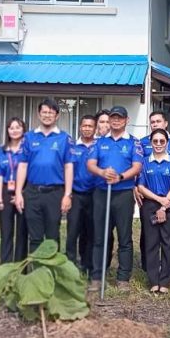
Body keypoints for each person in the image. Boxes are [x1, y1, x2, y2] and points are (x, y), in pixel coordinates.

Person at [87, 105, 143, 290]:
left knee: (124, 237)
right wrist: (102, 172)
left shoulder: (134, 143)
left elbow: (137, 167)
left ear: (127, 120)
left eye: (120, 117)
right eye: (113, 117)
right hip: (102, 193)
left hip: (123, 194)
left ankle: (123, 278)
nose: (116, 120)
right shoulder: (99, 142)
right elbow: (91, 164)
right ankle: (97, 276)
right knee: (100, 236)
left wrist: (120, 176)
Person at [14, 99, 74, 252]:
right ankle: (37, 267)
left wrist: (67, 194)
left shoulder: (64, 138)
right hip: (32, 193)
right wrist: (18, 192)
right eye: (44, 112)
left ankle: (52, 267)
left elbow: (68, 167)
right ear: (39, 114)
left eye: (51, 113)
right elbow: (22, 165)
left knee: (52, 236)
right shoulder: (28, 137)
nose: (47, 115)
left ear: (57, 115)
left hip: (55, 193)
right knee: (35, 237)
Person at [137, 128, 170, 293]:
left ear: (167, 143)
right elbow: (141, 187)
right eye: (155, 141)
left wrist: (164, 204)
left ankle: (165, 281)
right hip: (150, 204)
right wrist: (158, 200)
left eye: (162, 141)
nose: (158, 144)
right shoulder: (144, 162)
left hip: (169, 205)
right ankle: (153, 280)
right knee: (151, 243)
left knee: (168, 243)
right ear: (151, 142)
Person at [139, 110, 170, 269]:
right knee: (149, 235)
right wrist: (137, 187)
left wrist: (166, 201)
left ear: (166, 123)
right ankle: (148, 267)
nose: (155, 124)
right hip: (149, 195)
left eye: (158, 121)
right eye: (152, 122)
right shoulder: (142, 142)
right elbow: (138, 167)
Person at [0, 117, 27, 264]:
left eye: (18, 127)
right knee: (6, 231)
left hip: (24, 191)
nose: (14, 130)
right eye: (11, 128)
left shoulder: (27, 150)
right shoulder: (1, 151)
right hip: (6, 190)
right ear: (7, 131)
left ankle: (21, 265)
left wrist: (22, 193)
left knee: (22, 232)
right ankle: (5, 265)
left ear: (23, 130)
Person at [66, 113, 97, 273]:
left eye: (90, 126)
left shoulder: (98, 146)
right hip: (76, 195)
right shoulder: (72, 147)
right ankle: (70, 266)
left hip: (94, 195)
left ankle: (87, 265)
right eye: (84, 125)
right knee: (72, 231)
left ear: (95, 128)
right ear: (80, 127)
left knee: (90, 231)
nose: (87, 128)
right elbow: (67, 170)